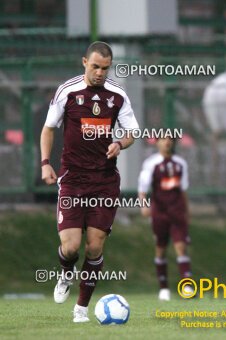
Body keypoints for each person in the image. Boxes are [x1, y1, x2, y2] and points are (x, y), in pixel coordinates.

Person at [40, 41, 139, 322]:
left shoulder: (118, 96)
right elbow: (48, 129)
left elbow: (132, 132)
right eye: (95, 66)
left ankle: (81, 309)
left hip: (104, 181)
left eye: (105, 69)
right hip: (72, 179)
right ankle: (65, 274)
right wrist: (46, 164)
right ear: (84, 62)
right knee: (70, 247)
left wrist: (120, 143)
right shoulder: (67, 91)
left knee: (94, 246)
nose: (99, 73)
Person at [138, 137, 193, 301]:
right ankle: (163, 288)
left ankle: (187, 286)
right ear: (158, 143)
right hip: (159, 213)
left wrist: (187, 211)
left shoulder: (180, 163)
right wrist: (144, 205)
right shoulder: (151, 163)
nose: (167, 143)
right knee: (160, 248)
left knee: (181, 247)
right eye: (163, 140)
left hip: (177, 212)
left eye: (170, 140)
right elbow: (143, 189)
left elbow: (183, 190)